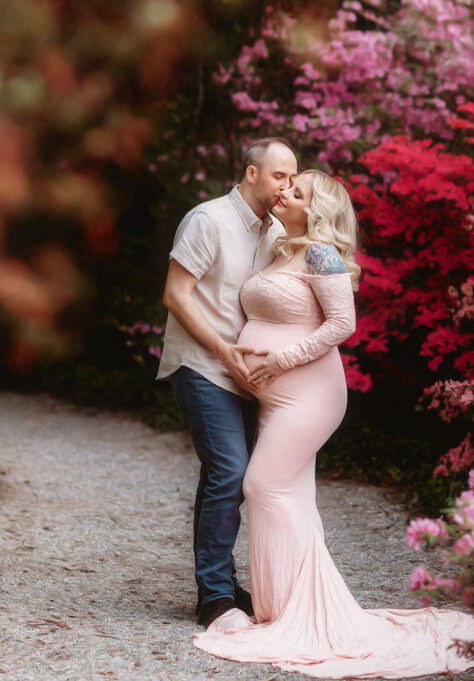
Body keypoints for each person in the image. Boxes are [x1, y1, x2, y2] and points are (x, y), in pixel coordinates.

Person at [192, 170, 474, 678]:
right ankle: (285, 610)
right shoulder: (281, 249)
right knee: (291, 494)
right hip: (277, 398)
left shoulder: (322, 254)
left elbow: (343, 324)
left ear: (315, 211)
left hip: (310, 394)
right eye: (288, 187)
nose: (286, 194)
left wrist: (279, 361)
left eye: (297, 193)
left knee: (261, 485)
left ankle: (301, 614)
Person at [157, 138, 299, 627]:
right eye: (280, 176)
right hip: (203, 365)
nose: (288, 186)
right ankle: (214, 596)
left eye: (293, 178)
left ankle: (220, 581)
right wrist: (224, 351)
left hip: (251, 377)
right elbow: (176, 296)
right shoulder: (208, 219)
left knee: (227, 478)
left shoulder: (279, 230)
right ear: (252, 173)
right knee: (231, 472)